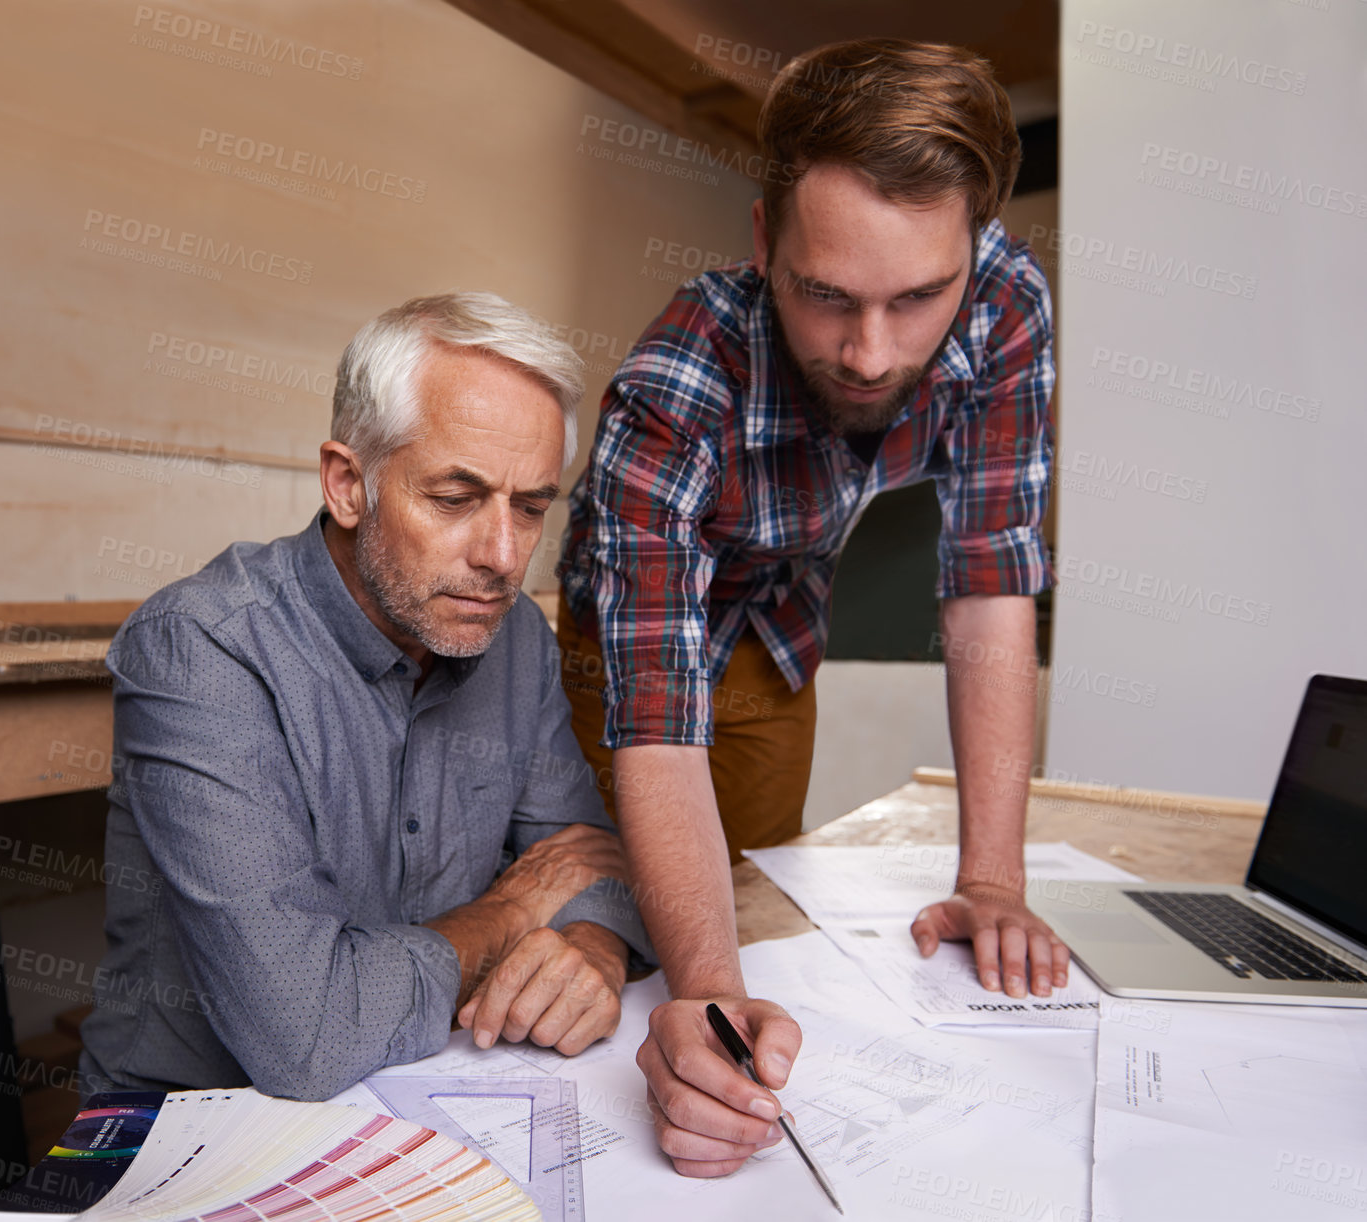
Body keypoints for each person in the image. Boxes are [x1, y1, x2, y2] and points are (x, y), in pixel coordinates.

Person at [556, 39, 1068, 1175]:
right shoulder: (674, 389)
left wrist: (990, 881)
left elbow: (989, 581)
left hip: (783, 630)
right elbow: (658, 718)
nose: (869, 353)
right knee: (623, 936)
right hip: (624, 644)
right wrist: (705, 1012)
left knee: (756, 909)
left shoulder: (1007, 308)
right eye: (825, 295)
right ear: (762, 245)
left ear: (975, 253)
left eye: (917, 296)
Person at [79, 292, 652, 1104]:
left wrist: (592, 948)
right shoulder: (199, 648)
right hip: (185, 1126)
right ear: (348, 484)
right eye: (454, 499)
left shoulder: (514, 635)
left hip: (429, 1088)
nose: (502, 555)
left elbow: (589, 855)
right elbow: (304, 1033)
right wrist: (522, 904)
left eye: (530, 509)